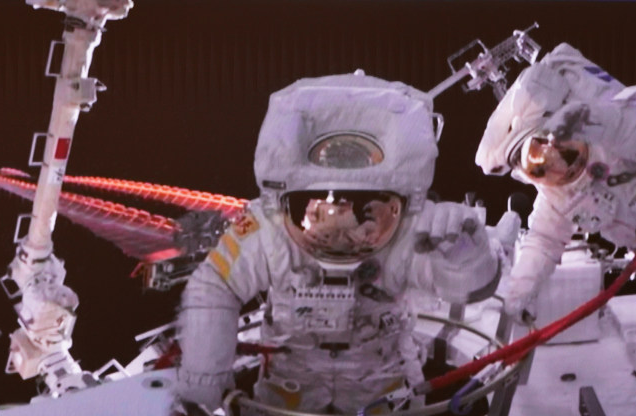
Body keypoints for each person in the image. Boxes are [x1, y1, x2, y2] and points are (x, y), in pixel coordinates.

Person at [175, 71, 507, 414]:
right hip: (290, 386)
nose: (342, 237)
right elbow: (215, 285)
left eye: (362, 213)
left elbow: (471, 289)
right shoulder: (267, 227)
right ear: (283, 202)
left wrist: (466, 255)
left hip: (381, 386)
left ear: (400, 205)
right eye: (318, 211)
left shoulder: (412, 228)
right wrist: (204, 377)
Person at [475, 43, 636, 324]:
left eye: (562, 150)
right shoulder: (556, 196)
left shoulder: (610, 131)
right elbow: (542, 243)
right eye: (541, 168)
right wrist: (515, 299)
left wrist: (592, 122)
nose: (561, 166)